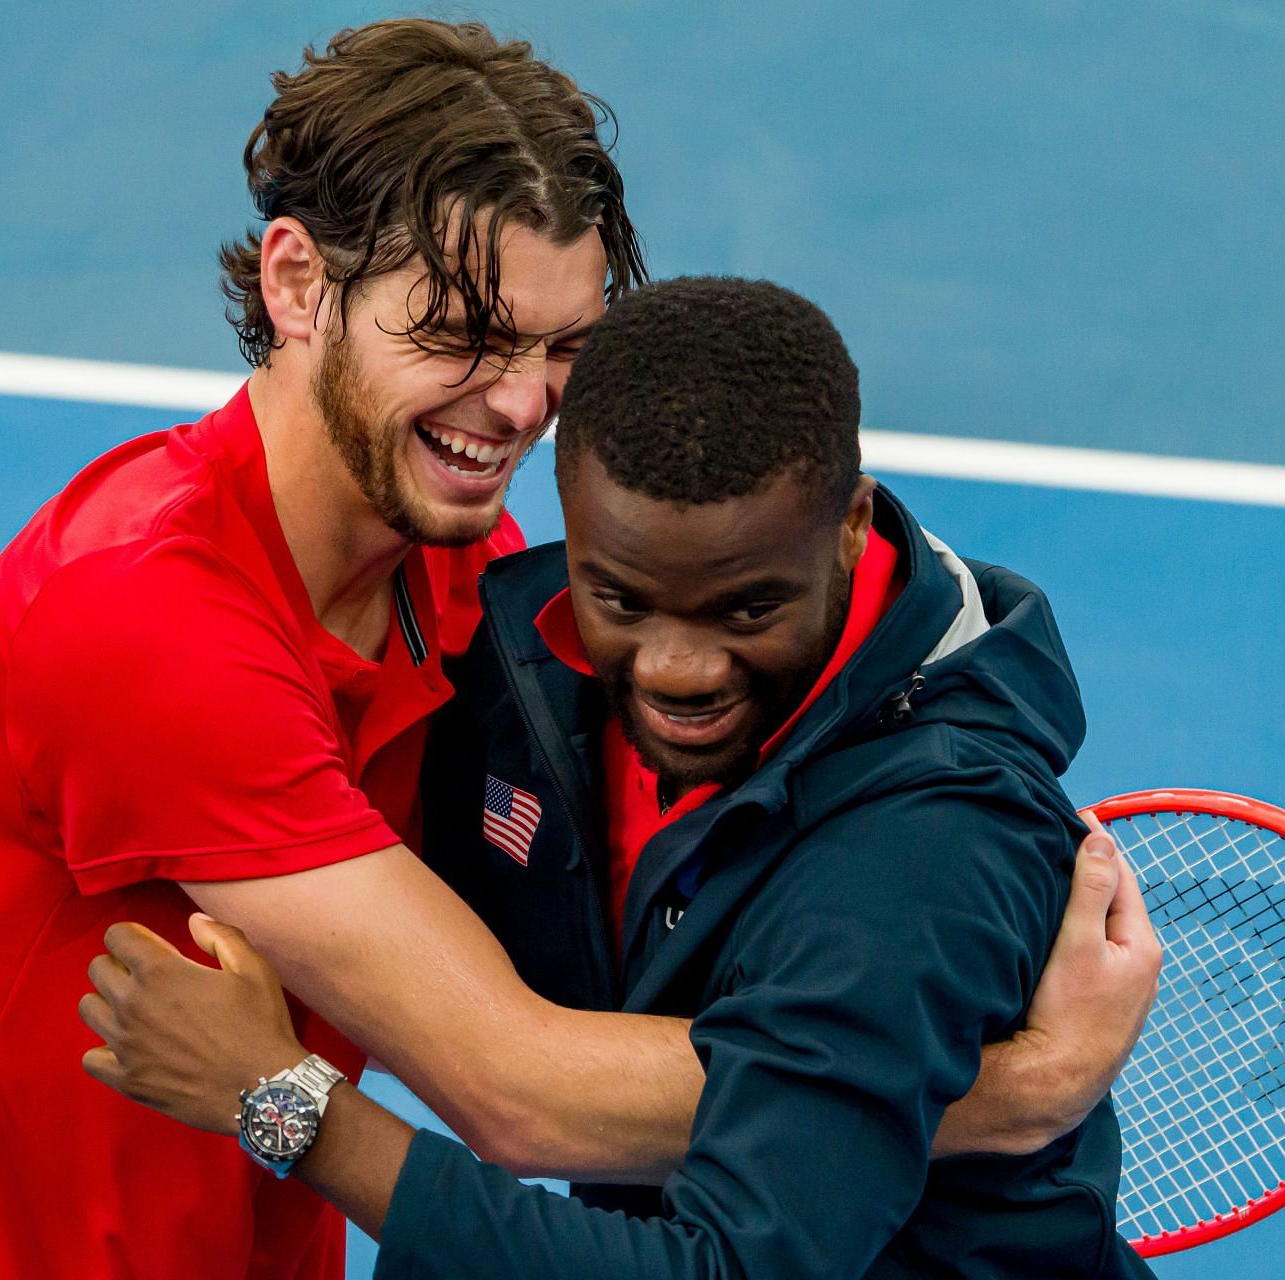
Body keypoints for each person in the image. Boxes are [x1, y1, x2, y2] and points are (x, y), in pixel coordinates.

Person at [0, 20, 1156, 1280]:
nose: (518, 407)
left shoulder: (477, 580)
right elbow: (515, 1084)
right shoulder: (148, 621)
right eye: (460, 336)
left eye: (564, 346)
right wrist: (989, 1091)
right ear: (296, 284)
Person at [74, 277, 1160, 1278]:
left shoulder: (924, 855)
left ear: (848, 529)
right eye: (624, 599)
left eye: (747, 609)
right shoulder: (535, 666)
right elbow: (281, 784)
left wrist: (289, 1106)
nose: (678, 671)